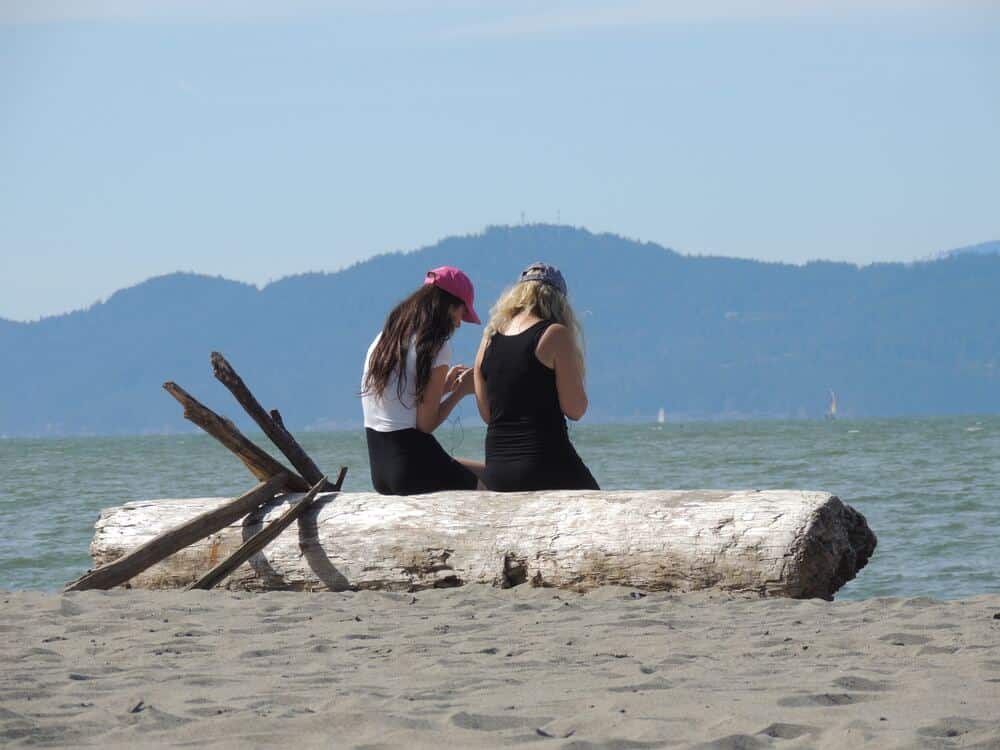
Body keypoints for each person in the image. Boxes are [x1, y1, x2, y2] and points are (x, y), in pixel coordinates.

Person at [474, 262, 599, 491]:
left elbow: (488, 414)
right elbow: (576, 410)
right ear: (558, 301)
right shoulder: (554, 334)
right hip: (545, 464)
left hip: (497, 470)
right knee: (600, 508)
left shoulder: (488, 339)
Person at [361, 266, 484, 495]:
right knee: (490, 492)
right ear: (448, 306)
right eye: (461, 313)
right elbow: (425, 425)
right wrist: (461, 392)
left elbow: (400, 404)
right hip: (412, 467)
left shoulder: (385, 339)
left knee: (488, 472)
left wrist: (444, 387)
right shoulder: (437, 345)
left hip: (381, 471)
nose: (459, 323)